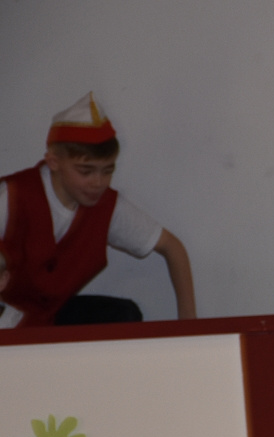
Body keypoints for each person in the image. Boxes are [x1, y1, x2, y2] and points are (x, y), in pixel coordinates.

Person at [0, 92, 196, 328]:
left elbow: (172, 247)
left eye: (107, 171)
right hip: (6, 317)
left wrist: (189, 324)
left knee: (123, 314)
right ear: (54, 162)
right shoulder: (11, 196)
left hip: (48, 319)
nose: (98, 182)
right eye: (86, 171)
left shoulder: (107, 206)